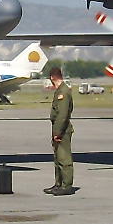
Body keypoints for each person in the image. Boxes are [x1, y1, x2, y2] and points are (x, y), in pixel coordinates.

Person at [45, 66, 76, 195]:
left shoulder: (63, 92)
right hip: (57, 129)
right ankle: (58, 184)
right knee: (58, 158)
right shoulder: (59, 91)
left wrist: (57, 133)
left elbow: (62, 115)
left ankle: (66, 185)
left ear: (52, 77)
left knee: (64, 158)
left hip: (62, 130)